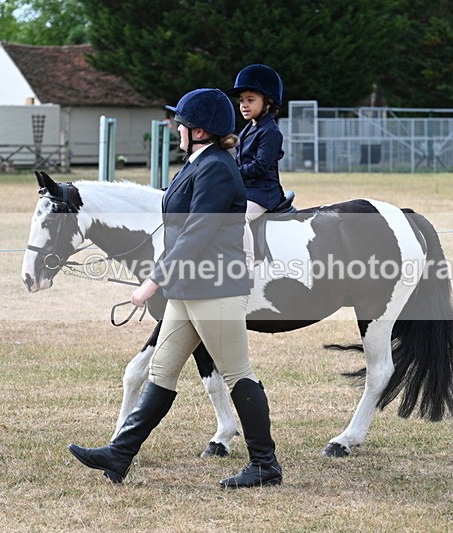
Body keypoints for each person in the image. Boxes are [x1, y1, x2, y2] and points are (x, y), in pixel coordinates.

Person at [68, 88, 283, 489]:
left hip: (215, 286)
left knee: (238, 374)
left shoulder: (217, 168)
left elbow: (196, 234)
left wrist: (152, 282)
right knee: (163, 370)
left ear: (198, 130)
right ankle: (120, 454)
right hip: (190, 286)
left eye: (180, 124)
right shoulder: (197, 163)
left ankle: (265, 466)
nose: (176, 129)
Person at [227, 64, 286, 270]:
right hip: (247, 189)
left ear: (268, 102)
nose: (244, 105)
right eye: (241, 100)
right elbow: (239, 160)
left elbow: (260, 166)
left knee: (238, 217)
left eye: (250, 100)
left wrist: (232, 174)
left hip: (263, 192)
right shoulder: (248, 128)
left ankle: (248, 265)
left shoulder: (270, 132)